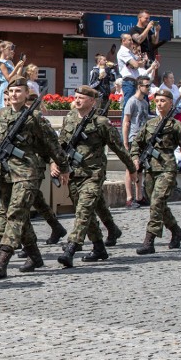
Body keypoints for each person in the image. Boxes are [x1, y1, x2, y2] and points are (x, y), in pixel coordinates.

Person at [0, 78, 70, 279]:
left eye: (18, 91)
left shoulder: (34, 117)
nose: (14, 94)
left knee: (14, 214)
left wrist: (63, 166)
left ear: (26, 94)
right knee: (19, 217)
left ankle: (2, 260)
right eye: (11, 91)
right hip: (4, 173)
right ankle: (35, 255)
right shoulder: (1, 115)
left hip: (27, 172)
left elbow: (52, 144)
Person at [55, 86, 137, 268]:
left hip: (93, 173)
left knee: (83, 211)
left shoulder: (101, 122)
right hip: (74, 173)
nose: (77, 100)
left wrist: (131, 169)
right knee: (90, 211)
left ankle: (71, 247)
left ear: (92, 101)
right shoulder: (69, 118)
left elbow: (118, 147)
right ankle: (100, 246)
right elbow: (60, 144)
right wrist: (56, 163)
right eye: (75, 97)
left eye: (81, 98)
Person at [132, 89, 181, 255]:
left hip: (167, 168)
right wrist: (134, 157)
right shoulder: (150, 124)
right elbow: (136, 143)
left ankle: (149, 240)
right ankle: (176, 231)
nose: (160, 104)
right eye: (158, 100)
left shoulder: (175, 125)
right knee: (158, 204)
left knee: (156, 202)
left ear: (170, 103)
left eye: (163, 100)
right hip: (150, 169)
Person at [0, 41, 24, 111]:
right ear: (2, 49)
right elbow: (8, 78)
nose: (10, 51)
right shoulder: (1, 63)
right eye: (9, 49)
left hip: (12, 86)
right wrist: (16, 67)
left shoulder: (10, 62)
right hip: (5, 86)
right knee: (4, 107)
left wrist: (20, 67)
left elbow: (17, 76)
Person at [117, 33, 143, 110]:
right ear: (123, 41)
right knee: (128, 106)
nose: (132, 42)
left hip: (134, 82)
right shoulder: (123, 51)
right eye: (130, 40)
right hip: (129, 82)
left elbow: (140, 62)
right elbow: (136, 65)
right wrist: (138, 64)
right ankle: (124, 122)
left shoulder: (129, 52)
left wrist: (139, 62)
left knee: (134, 106)